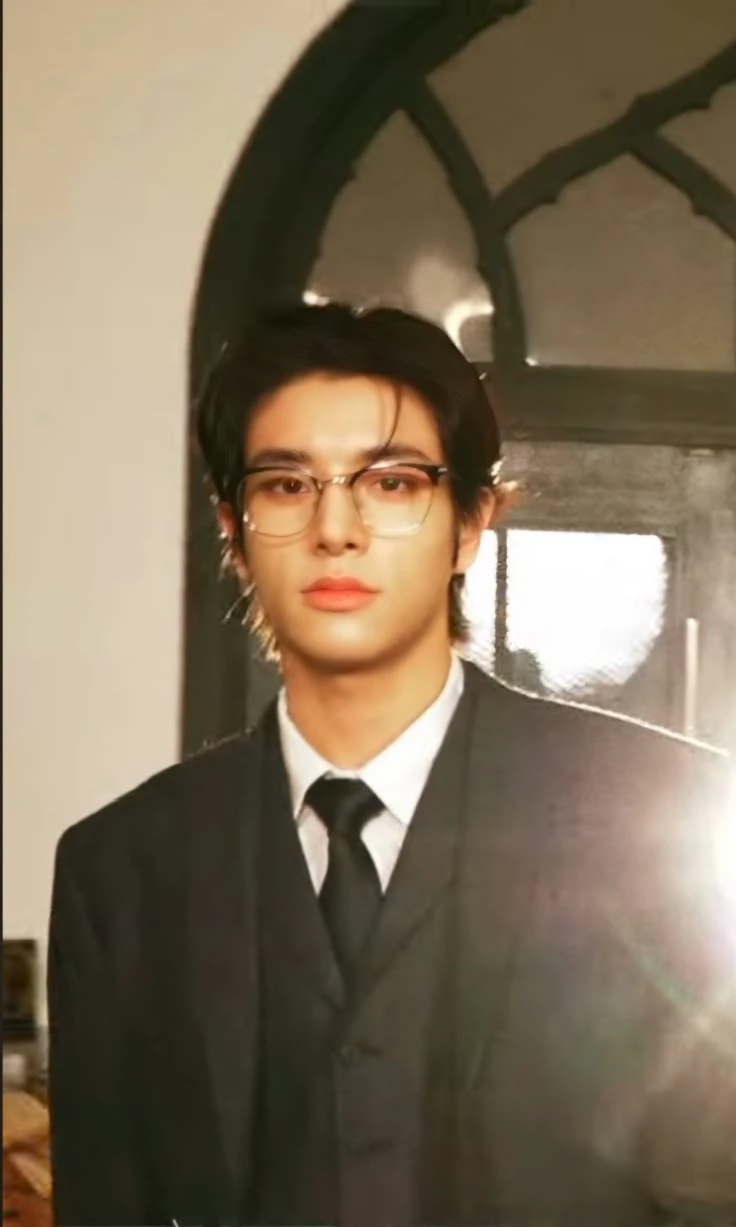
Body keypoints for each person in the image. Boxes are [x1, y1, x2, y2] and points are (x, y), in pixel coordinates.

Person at [47, 303, 735, 1226]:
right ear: (234, 532)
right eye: (287, 485)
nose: (336, 527)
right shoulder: (121, 869)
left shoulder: (670, 819)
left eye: (392, 482)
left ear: (471, 524)